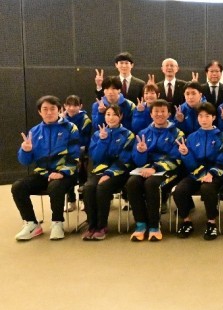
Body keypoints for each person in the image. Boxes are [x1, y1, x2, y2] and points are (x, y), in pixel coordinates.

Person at [12, 95, 80, 241]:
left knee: (55, 187)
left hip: (66, 174)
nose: (49, 112)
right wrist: (26, 150)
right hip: (43, 173)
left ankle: (57, 223)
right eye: (45, 109)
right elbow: (25, 161)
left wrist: (62, 172)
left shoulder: (70, 128)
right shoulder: (34, 131)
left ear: (59, 110)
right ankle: (31, 224)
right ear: (39, 112)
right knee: (18, 187)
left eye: (52, 109)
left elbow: (74, 155)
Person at [125, 99, 183, 242]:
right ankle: (140, 224)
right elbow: (138, 161)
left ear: (169, 114)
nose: (159, 114)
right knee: (132, 183)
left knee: (151, 184)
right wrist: (141, 152)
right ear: (150, 114)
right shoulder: (143, 133)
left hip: (169, 171)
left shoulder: (177, 133)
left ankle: (154, 225)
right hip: (146, 169)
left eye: (163, 111)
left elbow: (176, 159)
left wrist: (155, 168)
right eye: (156, 111)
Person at [173, 102, 223, 240]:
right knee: (179, 190)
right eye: (200, 116)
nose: (204, 119)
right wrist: (185, 154)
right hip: (196, 173)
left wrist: (211, 174)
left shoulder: (222, 137)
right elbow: (190, 165)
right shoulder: (191, 137)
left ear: (214, 117)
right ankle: (186, 221)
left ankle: (211, 223)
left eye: (207, 116)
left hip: (215, 174)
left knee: (207, 189)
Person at [81, 104, 134, 241]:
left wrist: (109, 173)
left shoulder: (128, 135)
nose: (111, 117)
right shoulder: (97, 134)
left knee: (102, 187)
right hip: (99, 171)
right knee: (88, 187)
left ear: (121, 116)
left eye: (115, 114)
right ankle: (92, 225)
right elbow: (96, 158)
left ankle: (102, 226)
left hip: (119, 172)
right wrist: (102, 141)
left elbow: (125, 159)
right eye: (108, 114)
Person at [62, 94, 92, 212]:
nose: (71, 108)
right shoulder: (61, 119)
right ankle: (71, 201)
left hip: (81, 152)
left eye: (75, 105)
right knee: (67, 174)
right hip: (66, 153)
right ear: (65, 106)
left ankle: (83, 199)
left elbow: (84, 139)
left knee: (82, 174)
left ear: (80, 106)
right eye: (69, 105)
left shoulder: (85, 120)